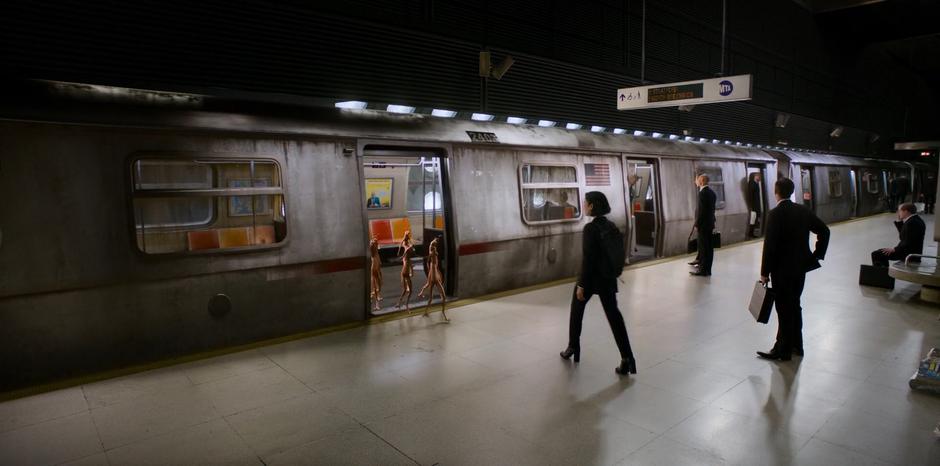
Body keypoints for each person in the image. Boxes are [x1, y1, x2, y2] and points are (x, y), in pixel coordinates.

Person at [560, 191, 637, 375]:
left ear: (592, 206)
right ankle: (627, 359)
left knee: (576, 311)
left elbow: (588, 260)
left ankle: (572, 348)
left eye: (585, 202)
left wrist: (581, 284)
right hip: (608, 279)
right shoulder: (611, 226)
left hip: (592, 280)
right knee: (615, 318)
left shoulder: (590, 229)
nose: (584, 204)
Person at [757, 178, 830, 361]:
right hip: (800, 269)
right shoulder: (803, 210)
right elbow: (824, 230)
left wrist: (764, 272)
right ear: (791, 192)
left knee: (784, 309)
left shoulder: (775, 214)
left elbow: (770, 246)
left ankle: (782, 350)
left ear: (776, 192)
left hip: (781, 271)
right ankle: (798, 346)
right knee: (794, 305)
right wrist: (816, 255)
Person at [690, 174, 717, 276]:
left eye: (697, 179)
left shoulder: (702, 194)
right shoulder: (712, 193)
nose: (695, 181)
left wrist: (697, 224)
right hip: (710, 224)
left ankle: (702, 270)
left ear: (701, 181)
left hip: (703, 225)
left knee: (703, 248)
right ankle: (707, 269)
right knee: (709, 247)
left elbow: (701, 212)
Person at [418, 237, 448, 321]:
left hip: (435, 276)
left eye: (435, 246)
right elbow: (429, 261)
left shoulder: (433, 258)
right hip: (434, 277)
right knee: (437, 296)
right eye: (433, 246)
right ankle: (433, 312)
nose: (434, 247)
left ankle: (440, 312)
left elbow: (435, 266)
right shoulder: (432, 255)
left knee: (438, 296)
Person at [395, 231, 415, 311]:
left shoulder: (406, 250)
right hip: (405, 272)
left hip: (404, 271)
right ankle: (406, 305)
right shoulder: (408, 249)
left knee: (405, 290)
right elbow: (410, 248)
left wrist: (406, 238)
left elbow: (404, 254)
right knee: (409, 291)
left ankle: (399, 303)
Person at [747, 173, 763, 238]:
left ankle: (752, 233)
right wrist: (751, 205)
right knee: (752, 220)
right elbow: (751, 196)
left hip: (756, 205)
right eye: (759, 176)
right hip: (754, 206)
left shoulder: (756, 183)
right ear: (755, 176)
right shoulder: (752, 184)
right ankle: (750, 233)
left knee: (754, 219)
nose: (759, 178)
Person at [369, 236, 382, 311]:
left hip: (376, 269)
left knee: (378, 285)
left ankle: (373, 295)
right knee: (375, 285)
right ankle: (376, 303)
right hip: (374, 270)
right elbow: (375, 267)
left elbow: (379, 265)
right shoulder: (374, 256)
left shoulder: (376, 255)